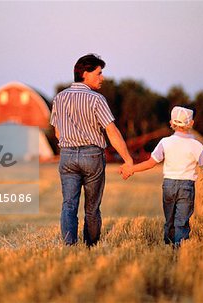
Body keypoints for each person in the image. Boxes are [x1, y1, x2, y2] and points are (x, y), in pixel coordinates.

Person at [120, 106, 203, 246]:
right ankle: (179, 248)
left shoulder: (165, 142)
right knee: (181, 222)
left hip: (168, 186)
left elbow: (150, 163)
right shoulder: (196, 145)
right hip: (186, 187)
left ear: (171, 123)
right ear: (191, 124)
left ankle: (168, 246)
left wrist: (132, 169)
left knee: (169, 219)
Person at [50, 53, 133, 247]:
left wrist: (72, 143)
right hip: (92, 155)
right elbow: (112, 131)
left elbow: (57, 133)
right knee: (92, 207)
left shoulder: (59, 98)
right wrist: (128, 159)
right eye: (99, 73)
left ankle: (70, 245)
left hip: (67, 155)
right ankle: (90, 246)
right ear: (85, 73)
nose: (102, 78)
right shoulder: (97, 99)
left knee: (69, 205)